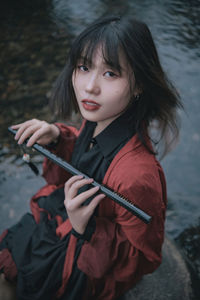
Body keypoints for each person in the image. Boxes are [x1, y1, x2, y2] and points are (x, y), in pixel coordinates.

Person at [0, 15, 182, 300]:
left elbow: (146, 258)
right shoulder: (100, 119)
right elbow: (82, 162)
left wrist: (87, 227)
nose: (89, 87)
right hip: (65, 225)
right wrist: (57, 137)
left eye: (111, 73)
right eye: (84, 67)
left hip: (88, 258)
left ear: (138, 85)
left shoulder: (137, 175)